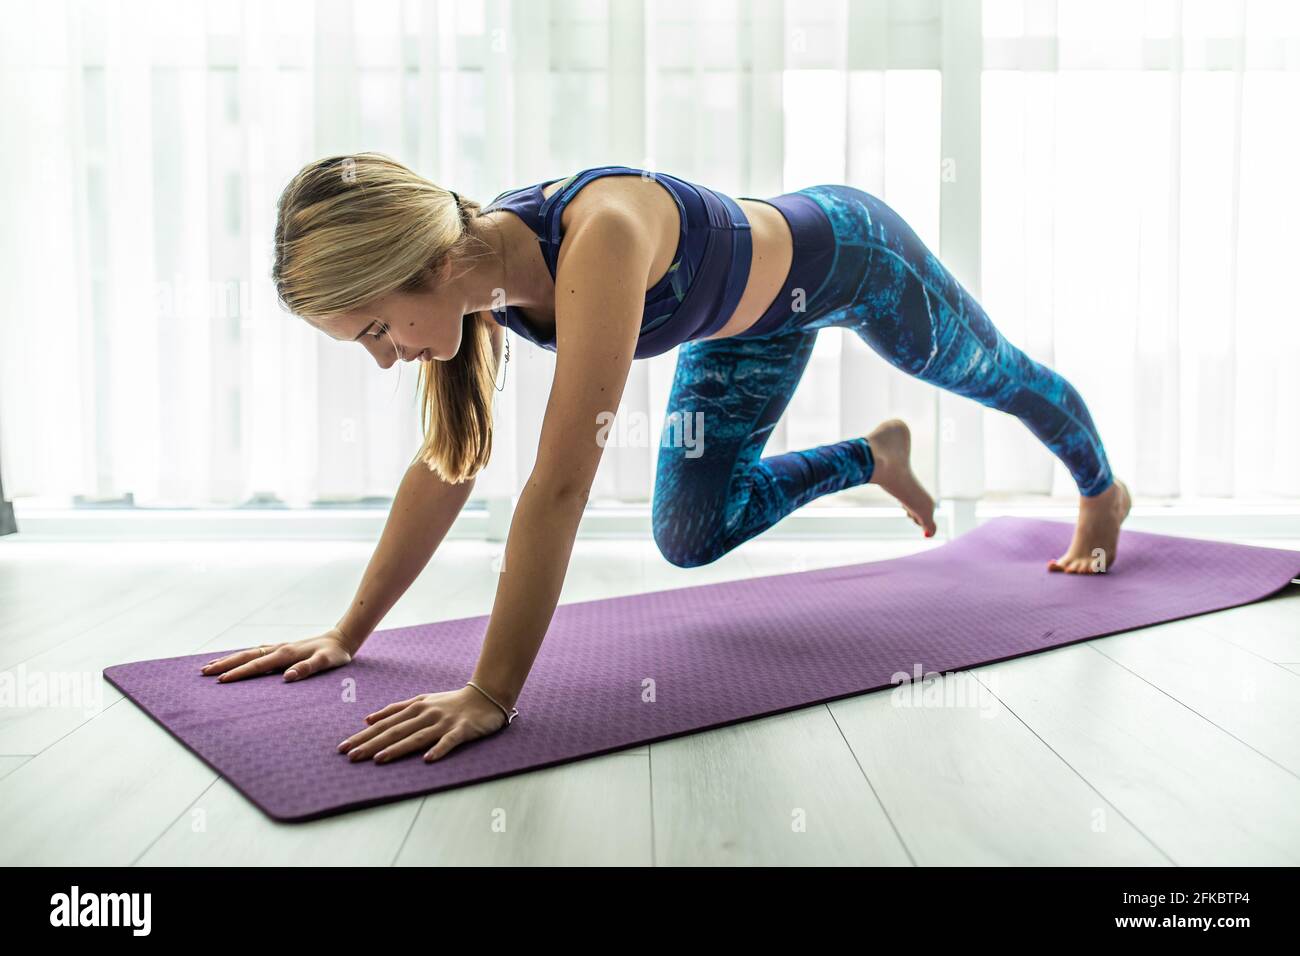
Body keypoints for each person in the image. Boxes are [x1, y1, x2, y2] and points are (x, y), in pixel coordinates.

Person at [203, 152, 1130, 763]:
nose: (381, 355)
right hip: (747, 327)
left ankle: (1103, 490)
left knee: (993, 373)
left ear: (428, 266)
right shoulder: (478, 281)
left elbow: (560, 486)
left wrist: (490, 693)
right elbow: (448, 464)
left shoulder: (596, 236)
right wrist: (346, 635)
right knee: (690, 534)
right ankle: (874, 455)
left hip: (854, 258)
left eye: (373, 328)